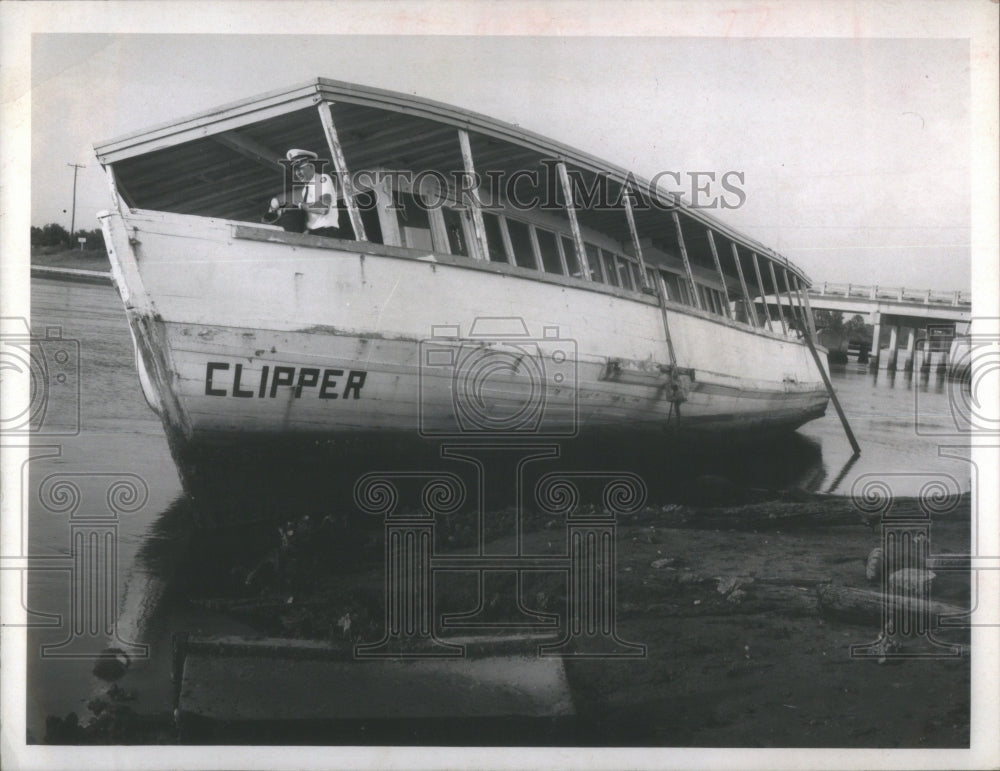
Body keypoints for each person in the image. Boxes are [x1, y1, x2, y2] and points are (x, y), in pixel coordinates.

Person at [264, 149, 341, 236]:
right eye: (295, 170)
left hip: (326, 232)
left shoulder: (322, 179)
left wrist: (300, 205)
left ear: (311, 166)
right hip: (313, 234)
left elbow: (323, 208)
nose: (297, 173)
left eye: (300, 168)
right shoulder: (305, 190)